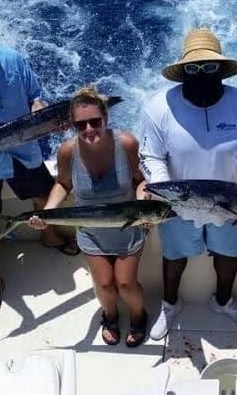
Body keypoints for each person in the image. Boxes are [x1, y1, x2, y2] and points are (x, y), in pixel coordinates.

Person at [138, 28, 237, 340]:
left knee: (227, 255)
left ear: (222, 70)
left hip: (229, 204)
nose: (201, 74)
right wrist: (165, 191)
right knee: (174, 255)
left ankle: (223, 302)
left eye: (209, 67)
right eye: (193, 69)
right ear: (182, 73)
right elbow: (150, 156)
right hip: (178, 202)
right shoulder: (158, 108)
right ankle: (170, 304)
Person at [28, 86, 148, 347]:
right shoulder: (68, 151)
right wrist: (48, 211)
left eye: (95, 122)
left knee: (126, 284)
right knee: (105, 286)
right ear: (72, 126)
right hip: (90, 229)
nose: (89, 130)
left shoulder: (126, 143)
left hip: (127, 225)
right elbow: (62, 184)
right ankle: (111, 316)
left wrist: (142, 202)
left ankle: (139, 316)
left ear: (106, 118)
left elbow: (141, 181)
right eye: (80, 125)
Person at [0, 12, 79, 320]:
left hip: (23, 152)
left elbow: (36, 96)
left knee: (43, 197)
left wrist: (40, 109)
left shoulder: (12, 59)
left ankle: (49, 237)